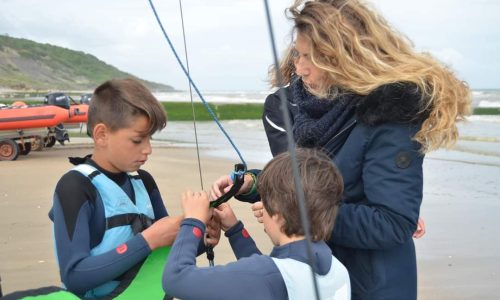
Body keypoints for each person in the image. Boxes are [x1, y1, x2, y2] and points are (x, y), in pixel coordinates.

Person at [213, 1, 471, 299]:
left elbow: (393, 223)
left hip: (372, 283)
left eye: (311, 57)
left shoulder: (391, 111)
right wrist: (255, 184)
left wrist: (299, 212)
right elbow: (297, 180)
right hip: (306, 271)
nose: (299, 67)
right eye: (298, 53)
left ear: (344, 56)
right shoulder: (288, 107)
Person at [48, 78, 220, 298]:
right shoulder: (75, 187)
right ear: (102, 135)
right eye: (138, 140)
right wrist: (149, 239)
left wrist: (200, 238)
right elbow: (74, 277)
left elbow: (167, 255)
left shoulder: (144, 181)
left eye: (150, 138)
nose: (148, 149)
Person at [163, 148, 350, 299]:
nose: (261, 206)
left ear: (277, 212)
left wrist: (193, 221)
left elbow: (175, 278)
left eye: (264, 201)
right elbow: (271, 279)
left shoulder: (268, 276)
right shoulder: (338, 270)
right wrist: (235, 230)